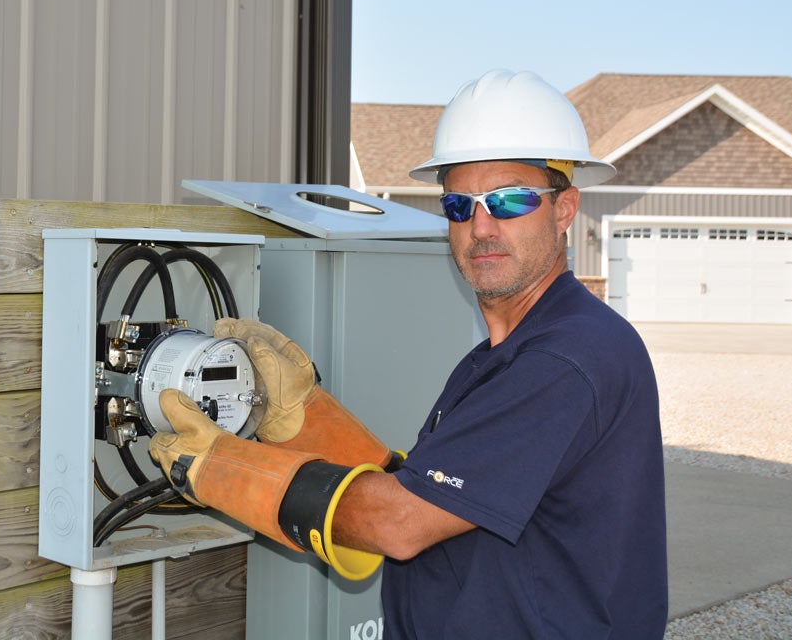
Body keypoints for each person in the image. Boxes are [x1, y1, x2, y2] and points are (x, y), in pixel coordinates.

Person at [149, 69, 668, 639]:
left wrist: (225, 466)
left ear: (565, 208)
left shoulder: (565, 358)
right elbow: (437, 494)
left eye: (511, 200)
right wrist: (306, 421)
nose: (481, 226)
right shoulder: (506, 354)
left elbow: (401, 521)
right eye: (458, 204)